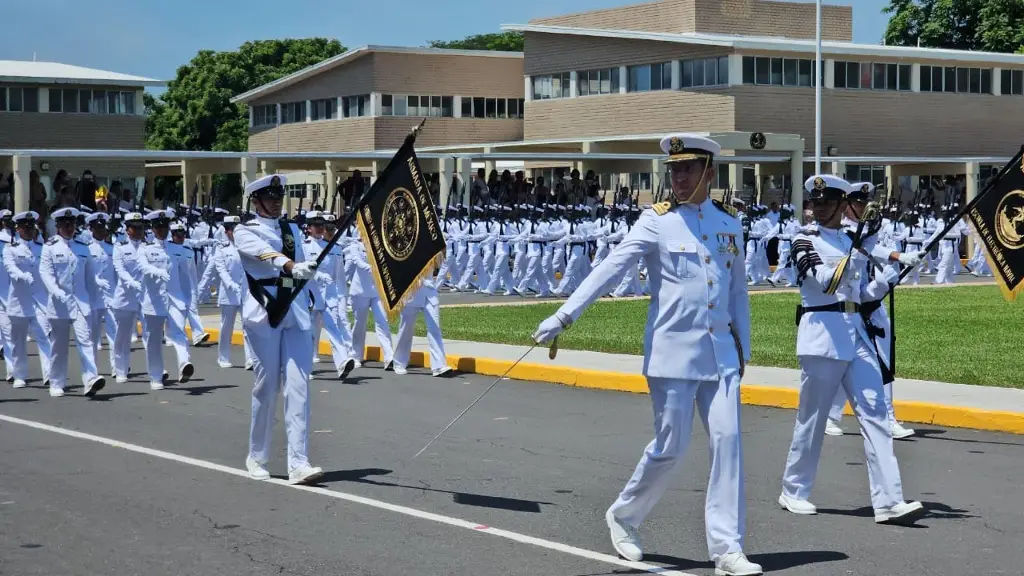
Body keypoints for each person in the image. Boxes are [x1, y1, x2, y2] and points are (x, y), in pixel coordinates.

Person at [533, 134, 760, 576]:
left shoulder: (729, 223)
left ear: (709, 174)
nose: (677, 177)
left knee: (729, 444)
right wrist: (564, 316)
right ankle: (624, 516)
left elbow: (738, 295)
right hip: (673, 353)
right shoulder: (655, 222)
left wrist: (742, 351)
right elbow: (610, 268)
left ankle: (727, 548)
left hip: (720, 355)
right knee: (671, 448)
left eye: (687, 169)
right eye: (673, 170)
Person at [779, 174, 924, 526]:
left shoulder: (850, 240)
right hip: (821, 335)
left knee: (875, 414)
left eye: (827, 202)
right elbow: (826, 282)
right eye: (816, 202)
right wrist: (857, 247)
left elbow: (863, 296)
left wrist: (892, 272)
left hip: (855, 335)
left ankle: (888, 501)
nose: (819, 208)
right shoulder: (803, 240)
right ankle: (793, 491)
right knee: (811, 420)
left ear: (843, 206)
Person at [233, 174, 323, 485]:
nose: (275, 200)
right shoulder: (244, 231)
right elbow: (263, 255)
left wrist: (309, 268)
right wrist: (291, 266)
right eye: (269, 196)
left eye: (278, 195)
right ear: (255, 201)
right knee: (267, 386)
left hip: (295, 312)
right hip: (264, 312)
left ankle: (299, 462)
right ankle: (256, 455)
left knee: (299, 387)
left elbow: (301, 261)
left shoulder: (291, 229)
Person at [39, 207, 105, 397]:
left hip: (81, 304)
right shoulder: (49, 247)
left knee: (86, 341)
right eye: (65, 225)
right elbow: (46, 274)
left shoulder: (83, 248)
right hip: (59, 304)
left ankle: (91, 379)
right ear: (58, 226)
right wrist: (55, 291)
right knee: (59, 346)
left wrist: (95, 301)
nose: (69, 228)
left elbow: (90, 278)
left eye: (72, 224)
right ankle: (56, 382)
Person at [137, 209, 195, 389]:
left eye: (165, 226)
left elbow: (186, 276)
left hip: (175, 299)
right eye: (158, 227)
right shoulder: (144, 249)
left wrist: (187, 298)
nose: (162, 230)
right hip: (154, 301)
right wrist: (158, 272)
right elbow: (143, 267)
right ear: (153, 229)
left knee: (178, 332)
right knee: (154, 339)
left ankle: (184, 363)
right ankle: (155, 376)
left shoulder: (177, 249)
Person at [3, 211, 53, 391]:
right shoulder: (10, 249)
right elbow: (10, 268)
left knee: (44, 337)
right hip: (19, 300)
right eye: (26, 227)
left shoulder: (42, 248)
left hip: (40, 300)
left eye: (32, 226)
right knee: (17, 341)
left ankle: (50, 374)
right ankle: (19, 375)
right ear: (18, 229)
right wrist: (22, 275)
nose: (30, 230)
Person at [213, 215, 255, 368]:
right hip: (229, 294)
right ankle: (223, 357)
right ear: (226, 231)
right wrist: (230, 284)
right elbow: (221, 270)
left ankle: (250, 358)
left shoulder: (245, 247)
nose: (234, 233)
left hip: (246, 292)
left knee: (248, 325)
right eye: (232, 230)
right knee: (226, 327)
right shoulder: (221, 249)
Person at [110, 212, 147, 383]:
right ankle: (120, 369)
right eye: (135, 228)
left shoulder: (148, 246)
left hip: (146, 296)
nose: (139, 231)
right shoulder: (120, 247)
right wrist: (132, 282)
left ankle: (157, 368)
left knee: (151, 334)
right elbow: (120, 270)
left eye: (141, 227)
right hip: (125, 296)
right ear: (127, 229)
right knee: (123, 336)